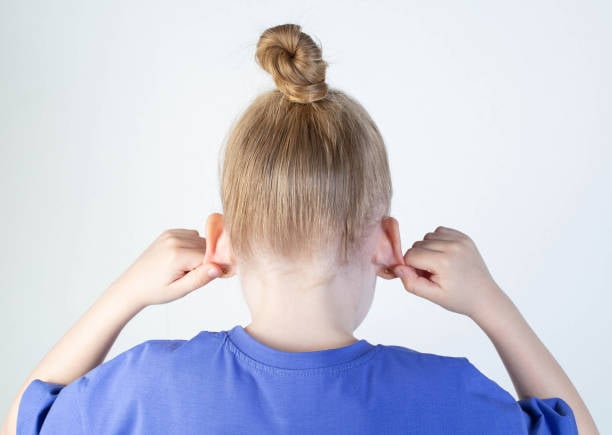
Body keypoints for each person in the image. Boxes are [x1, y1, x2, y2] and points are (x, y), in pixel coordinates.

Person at [1, 23, 599, 435]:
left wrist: (126, 293)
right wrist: (490, 303)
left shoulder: (143, 387)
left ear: (220, 241)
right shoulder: (452, 397)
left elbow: (26, 422)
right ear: (387, 243)